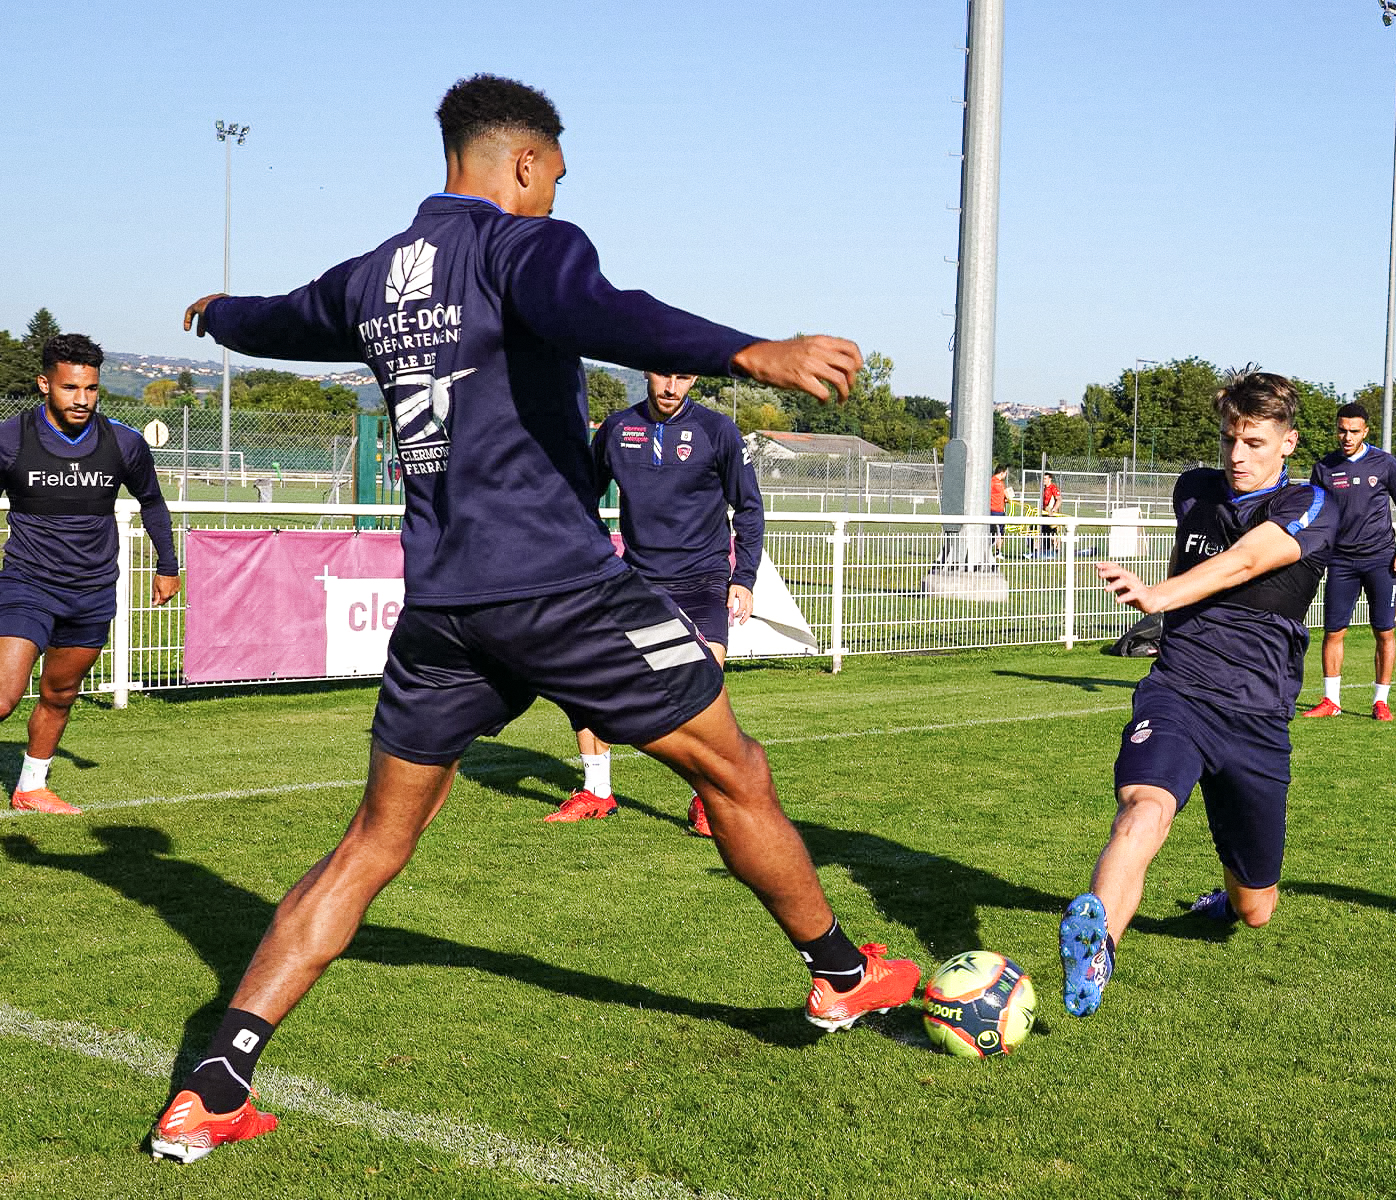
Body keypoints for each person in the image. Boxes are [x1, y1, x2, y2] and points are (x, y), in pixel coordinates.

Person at [149, 74, 919, 1164]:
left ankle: (217, 1081)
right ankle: (844, 977)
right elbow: (604, 311)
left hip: (445, 609)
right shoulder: (523, 248)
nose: (557, 195)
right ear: (519, 161)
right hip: (560, 588)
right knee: (733, 769)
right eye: (554, 175)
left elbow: (275, 320)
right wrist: (753, 351)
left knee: (373, 843)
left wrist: (215, 314)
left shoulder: (375, 276)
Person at [1057, 369, 1337, 1018]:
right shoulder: (1194, 490)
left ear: (1288, 443)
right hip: (1179, 691)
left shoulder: (1313, 508)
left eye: (1256, 443)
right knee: (1142, 810)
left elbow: (1244, 561)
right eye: (1229, 439)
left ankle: (1227, 898)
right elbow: (1207, 551)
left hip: (1259, 718)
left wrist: (1156, 596)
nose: (1237, 456)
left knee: (1256, 908)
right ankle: (1097, 949)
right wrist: (1165, 609)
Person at [548, 369, 763, 835]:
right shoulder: (617, 429)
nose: (671, 387)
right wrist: (591, 558)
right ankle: (597, 791)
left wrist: (743, 577)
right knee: (590, 674)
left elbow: (748, 507)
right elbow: (581, 496)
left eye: (683, 378)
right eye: (663, 375)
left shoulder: (717, 431)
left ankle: (705, 798)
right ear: (647, 372)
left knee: (701, 693)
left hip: (702, 581)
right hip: (638, 581)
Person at [1, 334, 180, 815]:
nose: (81, 399)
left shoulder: (123, 442)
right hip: (26, 585)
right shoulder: (11, 438)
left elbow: (153, 503)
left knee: (59, 694)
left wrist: (168, 565)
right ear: (44, 384)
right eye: (69, 388)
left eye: (91, 389)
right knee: (3, 696)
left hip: (93, 592)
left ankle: (31, 788)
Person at [1302, 402, 1396, 721]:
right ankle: (1331, 701)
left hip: (1381, 560)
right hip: (1340, 562)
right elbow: (1315, 511)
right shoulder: (1324, 467)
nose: (1346, 436)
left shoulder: (1385, 464)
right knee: (1333, 631)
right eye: (1341, 430)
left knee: (1384, 632)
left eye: (1353, 431)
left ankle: (1381, 701)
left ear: (1365, 431)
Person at [1029, 471, 1061, 558]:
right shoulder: (1044, 489)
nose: (1044, 480)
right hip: (1044, 514)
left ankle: (1056, 552)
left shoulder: (1053, 488)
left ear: (1050, 479)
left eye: (1045, 478)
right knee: (1042, 532)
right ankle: (1041, 551)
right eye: (1043, 478)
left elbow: (1059, 500)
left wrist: (1053, 510)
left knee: (1053, 534)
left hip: (1051, 515)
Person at [989, 467, 1013, 557]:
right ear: (1001, 473)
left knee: (1001, 532)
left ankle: (998, 552)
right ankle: (989, 551)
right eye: (1005, 473)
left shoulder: (1001, 483)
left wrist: (1006, 499)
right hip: (993, 511)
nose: (1006, 475)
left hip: (1001, 511)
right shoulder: (992, 481)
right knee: (993, 532)